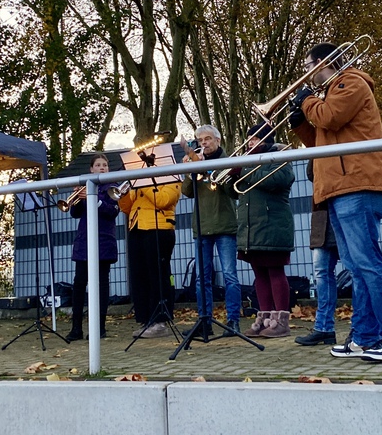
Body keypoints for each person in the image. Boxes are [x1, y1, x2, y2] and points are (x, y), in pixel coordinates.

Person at [291, 41, 382, 362]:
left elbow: (329, 118)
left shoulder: (351, 82)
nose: (305, 74)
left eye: (307, 66)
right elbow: (322, 142)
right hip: (339, 186)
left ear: (321, 63)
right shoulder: (331, 93)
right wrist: (299, 122)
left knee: (368, 264)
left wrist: (308, 103)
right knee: (356, 268)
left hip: (358, 183)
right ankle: (364, 337)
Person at [228, 123, 295, 338]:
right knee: (259, 273)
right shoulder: (248, 161)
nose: (249, 143)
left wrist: (244, 170)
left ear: (266, 140)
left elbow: (277, 180)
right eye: (249, 139)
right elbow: (234, 192)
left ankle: (281, 321)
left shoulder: (280, 156)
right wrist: (230, 175)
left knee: (275, 271)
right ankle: (265, 318)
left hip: (272, 225)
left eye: (254, 139)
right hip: (251, 228)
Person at [180, 125, 241, 338]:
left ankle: (233, 321)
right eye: (200, 140)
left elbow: (233, 192)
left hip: (224, 225)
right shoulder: (196, 161)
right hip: (202, 226)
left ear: (218, 140)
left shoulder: (228, 160)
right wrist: (191, 170)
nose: (203, 143)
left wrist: (214, 170)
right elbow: (186, 192)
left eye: (208, 139)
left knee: (230, 276)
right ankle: (204, 321)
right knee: (201, 279)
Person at [118, 171, 181, 339]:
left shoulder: (171, 177)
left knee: (158, 275)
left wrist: (143, 182)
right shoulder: (138, 181)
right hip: (137, 228)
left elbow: (164, 200)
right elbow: (126, 208)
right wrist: (123, 196)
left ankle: (160, 321)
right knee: (139, 276)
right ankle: (146, 320)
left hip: (159, 228)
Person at [65, 153, 119, 341]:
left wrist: (92, 198)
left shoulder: (112, 188)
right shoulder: (85, 187)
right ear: (91, 169)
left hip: (103, 242)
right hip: (84, 243)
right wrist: (79, 198)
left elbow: (112, 211)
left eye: (105, 165)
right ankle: (76, 328)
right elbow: (75, 213)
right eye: (98, 165)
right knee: (79, 284)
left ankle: (100, 328)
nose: (102, 168)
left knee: (101, 284)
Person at [294, 164, 340, 347]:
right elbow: (311, 173)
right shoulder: (318, 145)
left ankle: (365, 330)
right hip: (323, 215)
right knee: (321, 272)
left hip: (345, 208)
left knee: (358, 270)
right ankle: (324, 328)